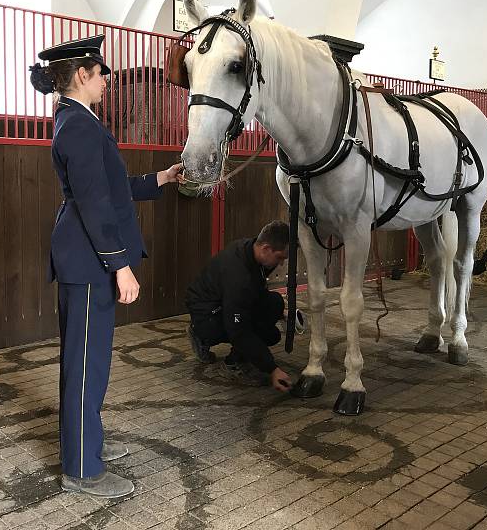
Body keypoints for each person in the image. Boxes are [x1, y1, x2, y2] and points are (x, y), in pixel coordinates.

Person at [29, 35, 183, 498]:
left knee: (91, 362)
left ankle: (87, 442)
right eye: (100, 74)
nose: (106, 81)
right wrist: (120, 266)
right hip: (89, 261)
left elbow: (112, 187)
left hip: (86, 258)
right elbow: (95, 203)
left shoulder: (82, 122)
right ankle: (80, 467)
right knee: (84, 365)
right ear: (81, 75)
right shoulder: (78, 126)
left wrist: (162, 177)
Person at [185, 221, 293, 392]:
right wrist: (272, 369)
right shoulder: (238, 276)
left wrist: (281, 312)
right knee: (259, 332)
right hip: (207, 314)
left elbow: (255, 293)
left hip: (225, 302)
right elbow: (238, 329)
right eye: (280, 257)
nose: (280, 264)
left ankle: (242, 353)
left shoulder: (250, 249)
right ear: (265, 249)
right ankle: (229, 361)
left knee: (275, 305)